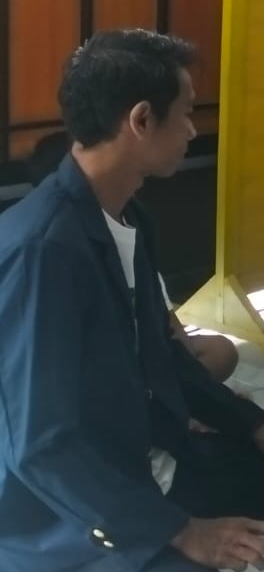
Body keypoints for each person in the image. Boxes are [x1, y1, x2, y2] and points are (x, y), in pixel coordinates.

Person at [0, 30, 264, 572]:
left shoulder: (128, 217)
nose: (191, 130)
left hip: (136, 449)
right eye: (184, 113)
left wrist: (254, 425)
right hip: (51, 510)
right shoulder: (43, 250)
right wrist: (178, 532)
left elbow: (163, 355)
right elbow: (41, 447)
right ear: (140, 120)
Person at [27, 131, 239, 384]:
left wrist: (185, 371)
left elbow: (169, 324)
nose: (190, 130)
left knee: (220, 351)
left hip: (143, 358)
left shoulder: (127, 226)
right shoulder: (45, 249)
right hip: (102, 372)